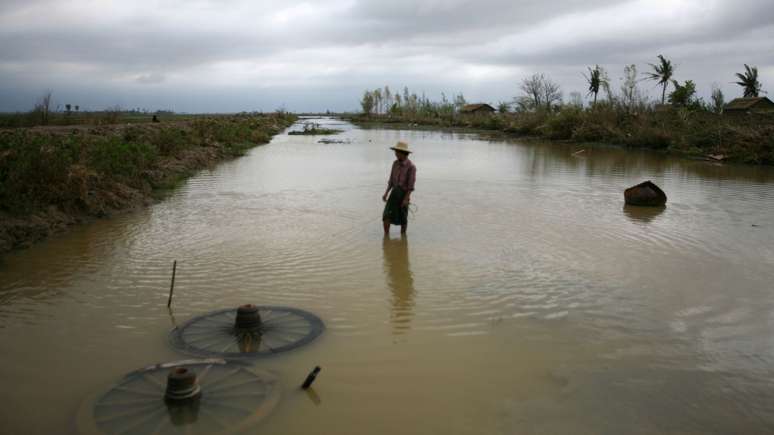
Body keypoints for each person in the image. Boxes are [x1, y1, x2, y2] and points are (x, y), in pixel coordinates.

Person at [382, 141, 416, 235]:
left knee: (403, 217)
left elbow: (411, 186)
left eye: (397, 152)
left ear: (404, 153)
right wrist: (386, 193)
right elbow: (391, 181)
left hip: (404, 194)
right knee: (386, 215)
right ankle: (386, 237)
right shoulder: (395, 164)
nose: (395, 153)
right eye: (395, 151)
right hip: (394, 193)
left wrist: (405, 199)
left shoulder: (411, 167)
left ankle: (403, 236)